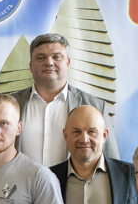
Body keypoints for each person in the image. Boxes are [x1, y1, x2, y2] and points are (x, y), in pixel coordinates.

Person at [11, 33, 118, 167]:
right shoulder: (10, 104)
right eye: (41, 58)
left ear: (67, 63)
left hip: (75, 181)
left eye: (56, 57)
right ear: (31, 65)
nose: (49, 62)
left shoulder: (95, 106)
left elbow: (112, 162)